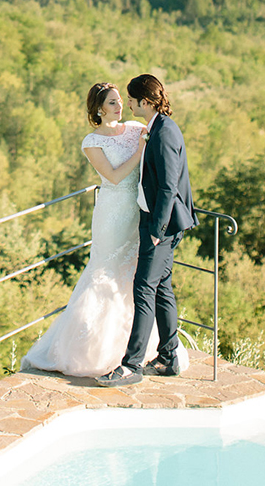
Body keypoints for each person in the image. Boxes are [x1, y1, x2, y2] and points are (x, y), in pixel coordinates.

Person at [21, 82, 155, 377]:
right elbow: (115, 176)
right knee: (104, 274)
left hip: (138, 211)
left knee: (132, 276)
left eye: (120, 101)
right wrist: (142, 149)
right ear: (98, 108)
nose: (119, 107)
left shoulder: (135, 128)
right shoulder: (92, 142)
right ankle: (90, 351)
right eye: (112, 103)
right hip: (112, 213)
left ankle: (133, 347)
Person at [95, 74, 197, 386]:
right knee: (162, 286)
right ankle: (168, 357)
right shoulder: (156, 128)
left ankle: (131, 365)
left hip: (160, 225)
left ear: (145, 101)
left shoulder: (164, 133)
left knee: (144, 287)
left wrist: (157, 229)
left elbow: (168, 186)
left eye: (132, 100)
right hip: (155, 221)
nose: (129, 105)